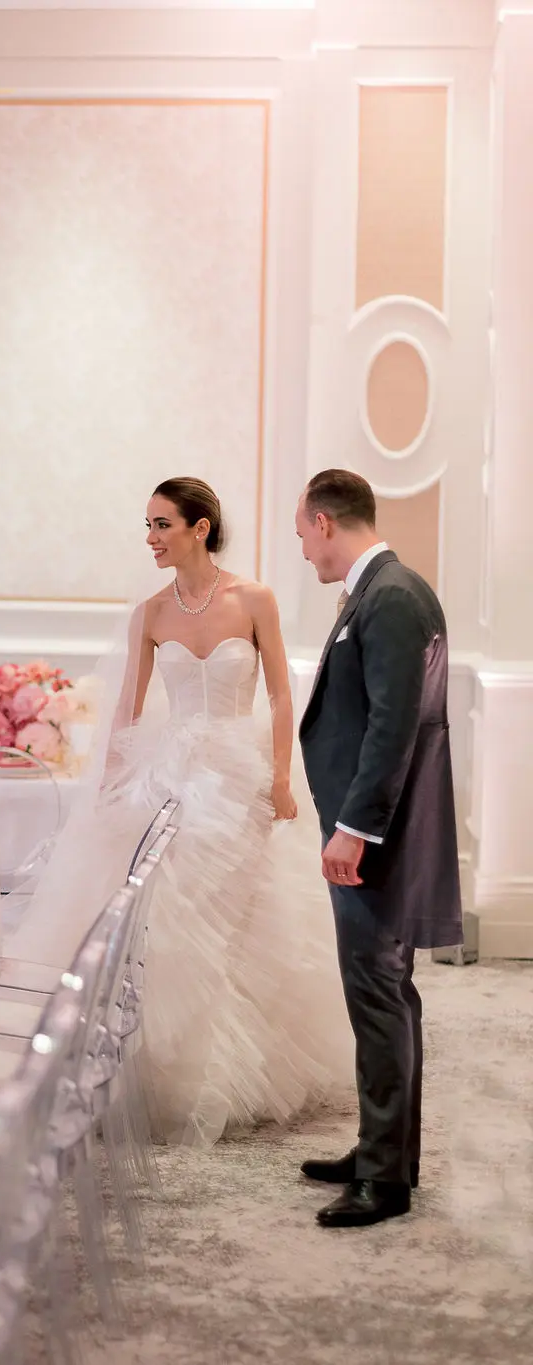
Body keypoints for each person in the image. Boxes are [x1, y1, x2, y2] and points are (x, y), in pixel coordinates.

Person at [8, 476, 354, 1146]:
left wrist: (282, 778)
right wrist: (109, 784)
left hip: (239, 774)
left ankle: (231, 1066)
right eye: (147, 524)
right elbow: (126, 711)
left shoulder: (253, 599)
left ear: (200, 527)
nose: (150, 538)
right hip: (167, 774)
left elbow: (283, 696)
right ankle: (165, 1071)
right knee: (162, 914)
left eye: (161, 524)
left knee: (237, 919)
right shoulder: (151, 613)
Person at [295, 469, 462, 1228]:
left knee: (378, 995)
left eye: (303, 533)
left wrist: (354, 827)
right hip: (375, 829)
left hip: (376, 837)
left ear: (326, 522)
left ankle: (384, 1178)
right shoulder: (387, 589)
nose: (304, 550)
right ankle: (380, 1150)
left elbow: (394, 724)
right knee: (387, 996)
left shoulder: (389, 596)